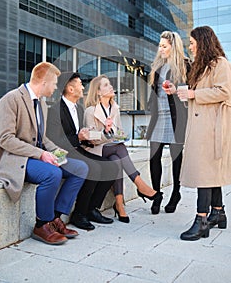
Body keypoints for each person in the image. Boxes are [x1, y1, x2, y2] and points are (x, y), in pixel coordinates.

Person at [0, 62, 89, 245]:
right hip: (17, 158)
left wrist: (55, 150)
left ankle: (55, 218)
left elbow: (42, 137)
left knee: (80, 168)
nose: (56, 87)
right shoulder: (11, 99)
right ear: (44, 82)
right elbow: (5, 139)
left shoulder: (41, 103)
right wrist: (40, 154)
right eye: (54, 83)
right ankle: (41, 225)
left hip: (37, 156)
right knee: (52, 173)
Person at [83, 75, 161, 223]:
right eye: (106, 85)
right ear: (98, 92)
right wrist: (106, 134)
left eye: (110, 84)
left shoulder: (115, 108)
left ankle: (119, 204)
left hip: (112, 149)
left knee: (116, 159)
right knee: (119, 148)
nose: (111, 86)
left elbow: (118, 131)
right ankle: (140, 184)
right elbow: (91, 138)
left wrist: (120, 135)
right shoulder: (90, 111)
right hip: (96, 150)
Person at [46, 72, 118, 231]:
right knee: (93, 167)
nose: (83, 87)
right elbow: (53, 141)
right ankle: (79, 214)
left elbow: (82, 137)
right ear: (70, 89)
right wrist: (78, 137)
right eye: (79, 84)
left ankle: (91, 209)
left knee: (112, 167)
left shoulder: (79, 108)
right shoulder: (55, 110)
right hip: (62, 153)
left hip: (78, 150)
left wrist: (100, 133)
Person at [178, 26, 231, 241]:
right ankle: (218, 211)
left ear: (203, 41)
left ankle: (201, 220)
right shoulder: (203, 66)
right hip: (201, 124)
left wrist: (193, 93)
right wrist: (180, 92)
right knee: (209, 170)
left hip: (212, 126)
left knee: (204, 171)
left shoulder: (220, 63)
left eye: (192, 42)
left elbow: (225, 91)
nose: (190, 47)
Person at [146, 31, 191, 214]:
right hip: (159, 117)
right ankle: (156, 194)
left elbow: (192, 89)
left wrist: (177, 89)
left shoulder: (185, 65)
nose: (161, 49)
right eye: (160, 45)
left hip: (177, 118)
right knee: (154, 156)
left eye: (164, 46)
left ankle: (176, 193)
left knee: (176, 159)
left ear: (174, 46)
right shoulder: (158, 66)